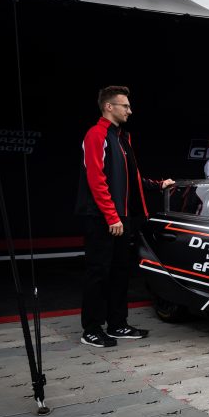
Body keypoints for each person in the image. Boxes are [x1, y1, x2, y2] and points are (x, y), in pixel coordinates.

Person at [76, 86, 174, 347]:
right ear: (109, 107)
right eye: (125, 106)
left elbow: (133, 179)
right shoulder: (96, 134)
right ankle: (92, 329)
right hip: (102, 218)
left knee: (120, 272)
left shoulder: (122, 138)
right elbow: (95, 179)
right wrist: (111, 216)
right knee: (98, 272)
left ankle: (117, 324)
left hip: (122, 218)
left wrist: (159, 184)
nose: (130, 110)